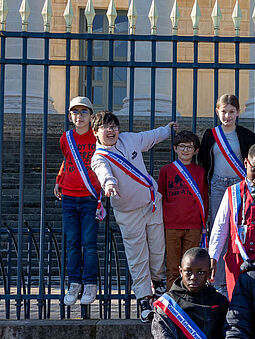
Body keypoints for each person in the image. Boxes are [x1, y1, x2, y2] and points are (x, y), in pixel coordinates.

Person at [90, 111, 178, 320]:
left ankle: (157, 287)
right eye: (105, 127)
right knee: (138, 257)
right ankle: (143, 300)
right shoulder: (98, 157)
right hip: (128, 213)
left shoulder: (129, 138)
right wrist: (109, 183)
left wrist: (167, 130)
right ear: (95, 132)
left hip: (151, 204)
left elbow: (151, 137)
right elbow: (103, 172)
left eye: (113, 126)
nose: (111, 131)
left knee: (158, 249)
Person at [207, 144, 255, 297]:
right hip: (236, 259)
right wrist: (213, 255)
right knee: (237, 301)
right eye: (254, 170)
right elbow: (220, 227)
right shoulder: (232, 192)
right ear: (246, 163)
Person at [54, 96, 103, 306]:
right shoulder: (66, 137)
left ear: (91, 116)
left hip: (90, 196)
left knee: (89, 244)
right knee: (72, 243)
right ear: (69, 116)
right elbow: (67, 160)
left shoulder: (97, 137)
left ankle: (90, 283)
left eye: (84, 112)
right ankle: (74, 282)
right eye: (75, 112)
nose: (79, 116)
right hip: (69, 196)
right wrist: (58, 179)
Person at [158, 131, 209, 288]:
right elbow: (161, 196)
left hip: (193, 226)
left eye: (189, 147)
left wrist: (203, 222)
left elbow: (204, 198)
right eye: (182, 146)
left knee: (191, 266)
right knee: (173, 266)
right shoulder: (166, 170)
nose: (185, 150)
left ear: (196, 151)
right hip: (172, 225)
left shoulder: (200, 172)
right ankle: (172, 298)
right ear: (175, 148)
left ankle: (189, 296)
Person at [197, 94, 255, 226]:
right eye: (223, 112)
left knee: (240, 222)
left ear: (238, 113)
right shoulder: (210, 135)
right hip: (217, 184)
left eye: (231, 112)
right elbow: (202, 159)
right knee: (217, 223)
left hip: (239, 183)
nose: (227, 116)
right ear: (217, 111)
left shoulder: (247, 136)